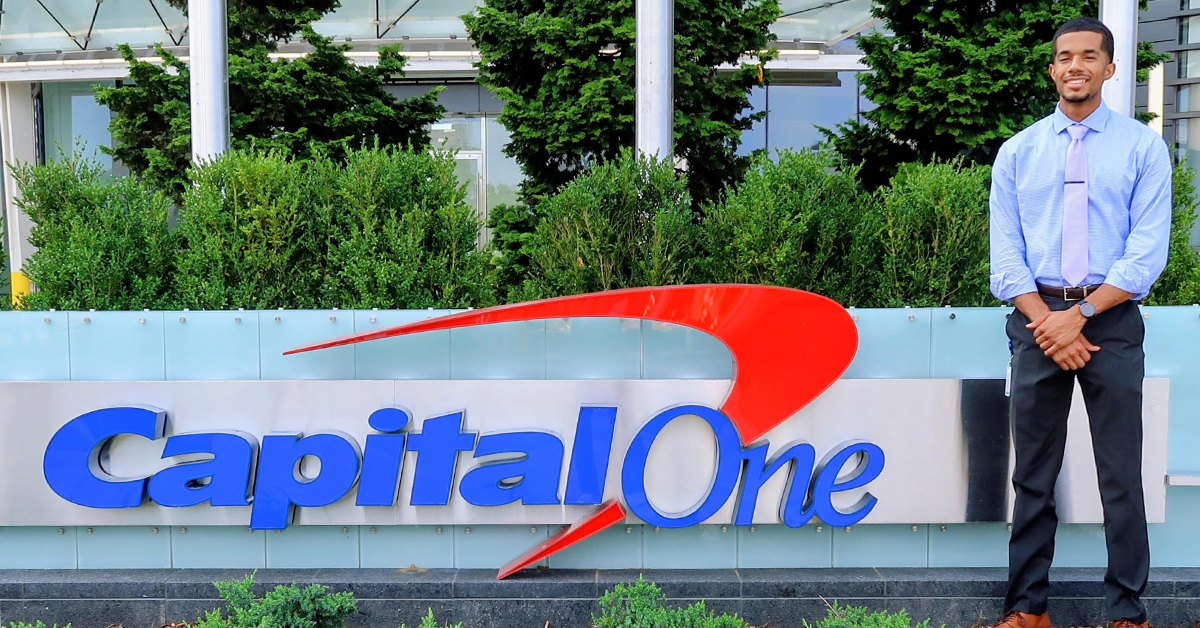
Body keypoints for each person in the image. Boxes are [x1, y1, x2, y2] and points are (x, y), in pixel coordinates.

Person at [988, 16, 1173, 628]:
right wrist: (1050, 324)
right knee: (1033, 475)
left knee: (1121, 472)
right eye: (1065, 57)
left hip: (1111, 319)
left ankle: (1127, 610)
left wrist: (1084, 316)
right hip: (1037, 318)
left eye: (1089, 56)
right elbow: (1006, 256)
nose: (1075, 66)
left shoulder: (1143, 147)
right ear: (1052, 69)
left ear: (1109, 69)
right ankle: (1027, 609)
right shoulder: (1018, 152)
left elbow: (1147, 253)